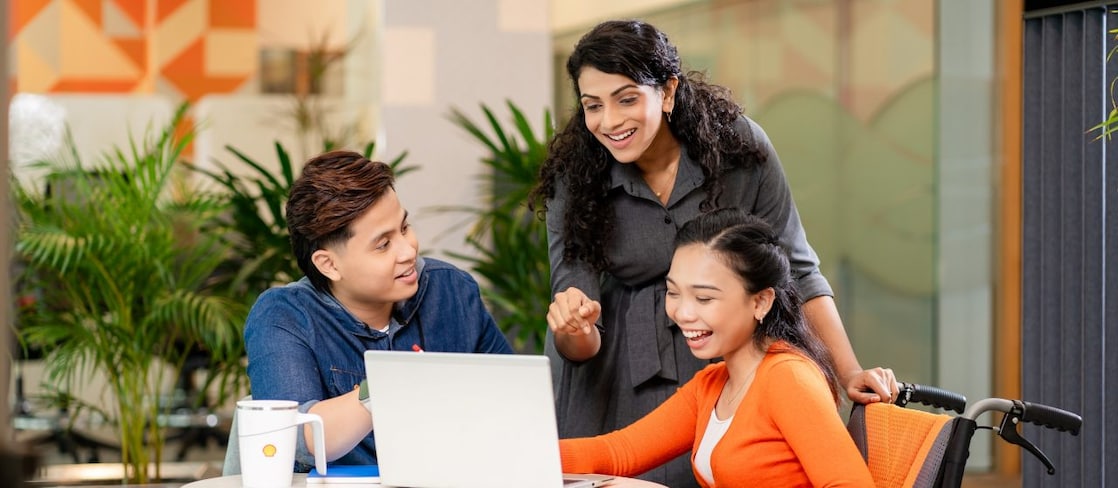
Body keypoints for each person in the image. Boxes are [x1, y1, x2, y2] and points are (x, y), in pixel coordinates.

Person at [530, 19, 896, 486]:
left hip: (727, 352)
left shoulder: (739, 148)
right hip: (615, 369)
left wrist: (848, 371)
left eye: (626, 98)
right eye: (592, 106)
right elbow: (580, 313)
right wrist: (575, 326)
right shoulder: (576, 175)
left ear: (667, 92)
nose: (609, 121)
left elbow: (798, 270)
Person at [559, 209, 875, 487]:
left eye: (704, 298)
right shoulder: (714, 384)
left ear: (761, 301)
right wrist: (519, 449)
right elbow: (618, 452)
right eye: (673, 293)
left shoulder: (788, 378)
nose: (682, 313)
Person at [244, 150, 513, 470]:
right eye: (383, 244)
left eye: (404, 227)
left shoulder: (452, 291)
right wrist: (387, 385)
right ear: (329, 264)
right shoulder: (284, 316)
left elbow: (513, 401)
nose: (408, 250)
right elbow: (295, 438)